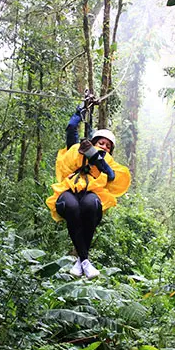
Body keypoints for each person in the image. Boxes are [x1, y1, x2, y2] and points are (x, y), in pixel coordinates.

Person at [46, 106, 131, 279]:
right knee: (71, 207)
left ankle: (81, 261)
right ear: (94, 141)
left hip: (91, 193)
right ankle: (85, 261)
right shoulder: (77, 150)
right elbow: (71, 131)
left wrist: (97, 159)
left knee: (90, 206)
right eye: (101, 143)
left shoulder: (108, 161)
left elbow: (112, 175)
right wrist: (79, 114)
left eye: (108, 146)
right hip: (69, 190)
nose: (105, 147)